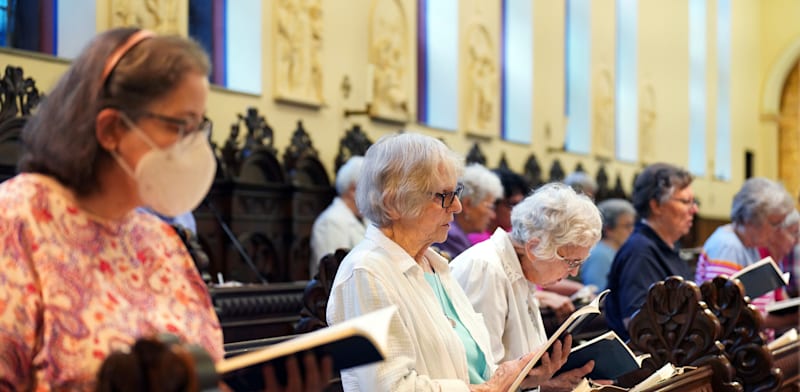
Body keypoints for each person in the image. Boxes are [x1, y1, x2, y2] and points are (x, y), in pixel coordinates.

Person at [0, 28, 331, 391]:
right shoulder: (15, 222)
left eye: (198, 128)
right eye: (179, 126)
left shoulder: (161, 242)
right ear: (111, 128)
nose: (193, 148)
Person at [326, 132, 572, 391]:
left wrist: (521, 379)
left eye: (456, 192)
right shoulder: (365, 272)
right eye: (443, 196)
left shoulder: (435, 264)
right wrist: (491, 388)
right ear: (393, 202)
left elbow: (471, 370)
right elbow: (386, 388)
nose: (457, 206)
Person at [450, 183, 602, 391]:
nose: (574, 273)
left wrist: (547, 382)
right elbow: (480, 377)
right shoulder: (486, 269)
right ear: (534, 248)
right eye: (571, 262)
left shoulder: (522, 272)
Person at [605, 163, 698, 341]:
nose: (694, 209)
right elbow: (637, 324)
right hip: (648, 365)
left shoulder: (666, 248)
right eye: (685, 202)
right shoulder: (640, 252)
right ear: (656, 206)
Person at [695, 177, 797, 329]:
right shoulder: (727, 246)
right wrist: (789, 320)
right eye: (775, 223)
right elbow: (724, 313)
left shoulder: (749, 245)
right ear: (752, 219)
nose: (777, 231)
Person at [309, 156, 366, 278]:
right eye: (370, 189)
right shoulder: (330, 222)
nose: (375, 196)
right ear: (353, 190)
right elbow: (334, 274)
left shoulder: (368, 219)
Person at [434, 163, 503, 259]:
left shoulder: (457, 234)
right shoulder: (451, 236)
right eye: (490, 207)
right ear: (467, 205)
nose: (493, 215)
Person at [580, 198, 636, 291]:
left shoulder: (617, 252)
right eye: (627, 226)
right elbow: (598, 293)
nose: (632, 230)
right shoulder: (601, 255)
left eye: (632, 225)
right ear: (609, 230)